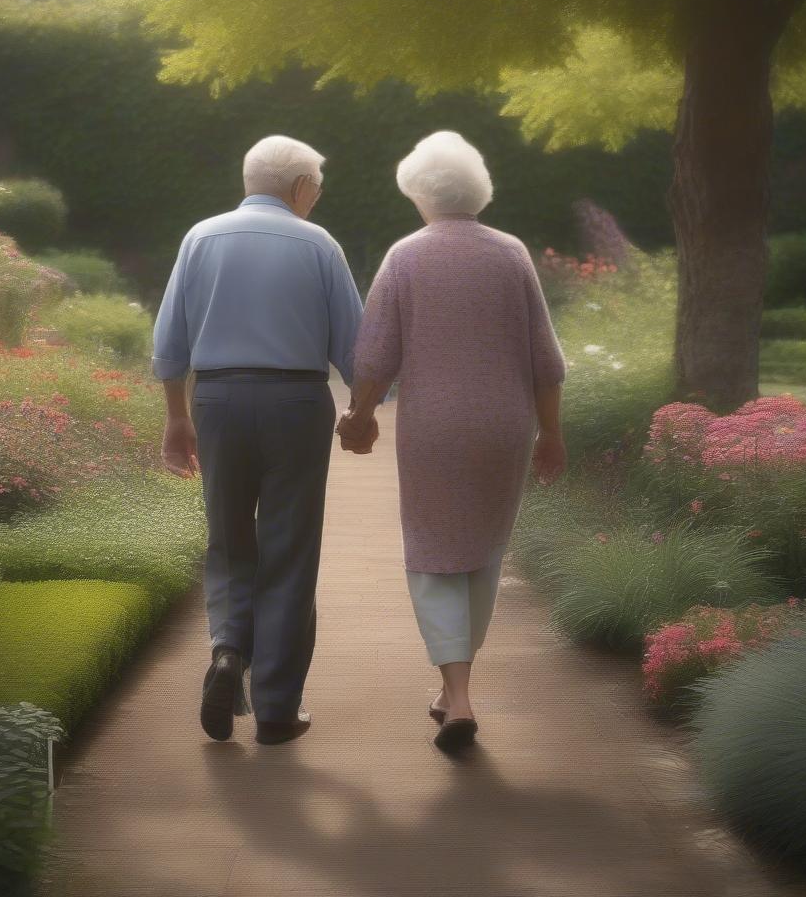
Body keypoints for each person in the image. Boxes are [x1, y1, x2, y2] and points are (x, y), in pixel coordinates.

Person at [336, 130, 567, 754]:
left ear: (419, 191)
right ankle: (453, 692)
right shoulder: (513, 255)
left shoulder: (406, 255)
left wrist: (358, 417)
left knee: (434, 548)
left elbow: (375, 355)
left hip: (434, 428)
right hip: (505, 425)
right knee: (483, 548)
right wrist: (552, 434)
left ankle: (458, 693)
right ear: (479, 189)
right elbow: (546, 360)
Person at [151, 135, 373, 745]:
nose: (318, 198)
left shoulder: (200, 237)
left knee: (227, 541)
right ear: (300, 186)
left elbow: (170, 342)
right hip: (296, 403)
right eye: (318, 187)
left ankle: (228, 654)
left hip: (218, 400)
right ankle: (276, 710)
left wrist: (177, 417)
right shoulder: (320, 244)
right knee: (290, 550)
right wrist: (363, 410)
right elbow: (356, 351)